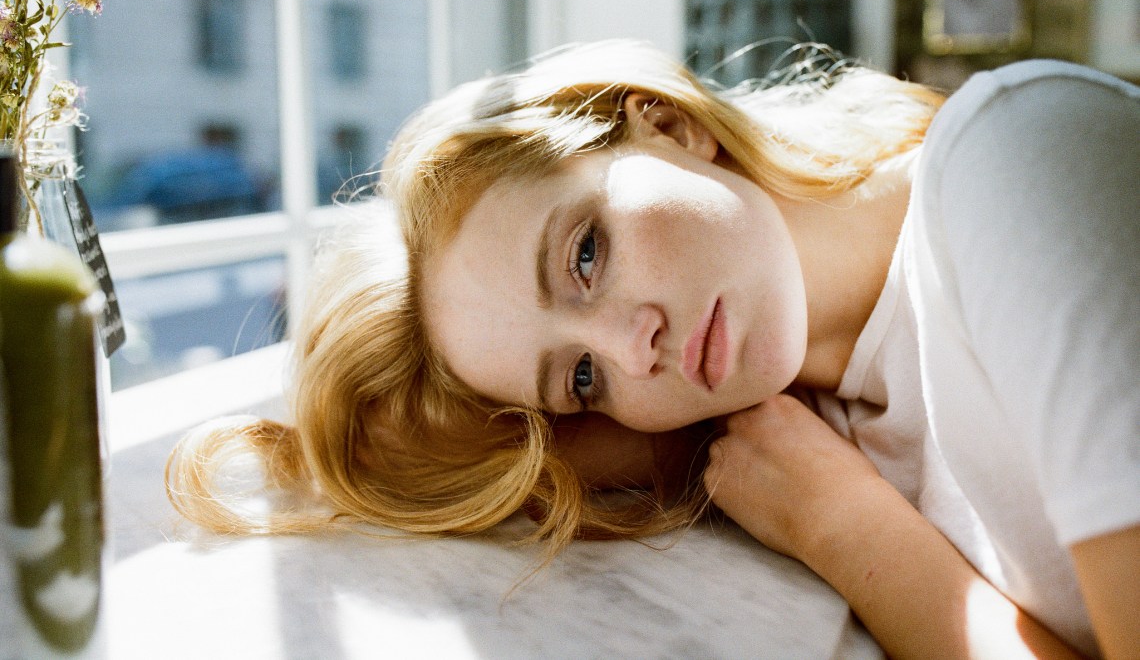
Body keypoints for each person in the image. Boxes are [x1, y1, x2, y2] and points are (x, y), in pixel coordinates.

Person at [166, 40, 1139, 658]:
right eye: (581, 378)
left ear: (664, 122)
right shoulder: (818, 433)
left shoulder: (1012, 158)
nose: (636, 350)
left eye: (585, 255)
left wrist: (851, 534)